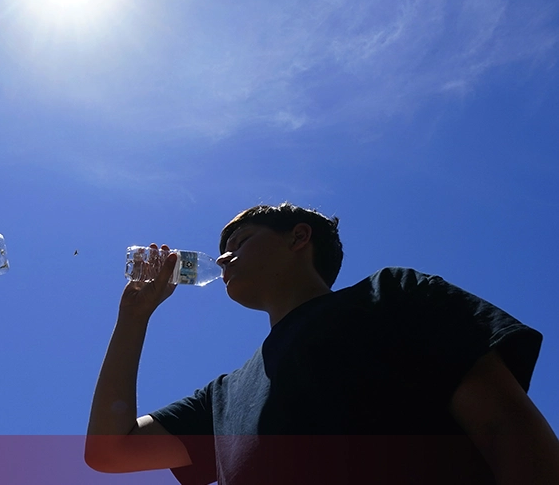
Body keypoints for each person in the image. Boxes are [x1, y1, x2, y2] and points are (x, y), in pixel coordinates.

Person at [85, 203, 559, 484]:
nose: (223, 258)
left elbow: (504, 424)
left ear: (298, 238)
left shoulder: (391, 295)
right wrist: (134, 317)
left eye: (241, 240)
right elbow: (110, 452)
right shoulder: (223, 397)